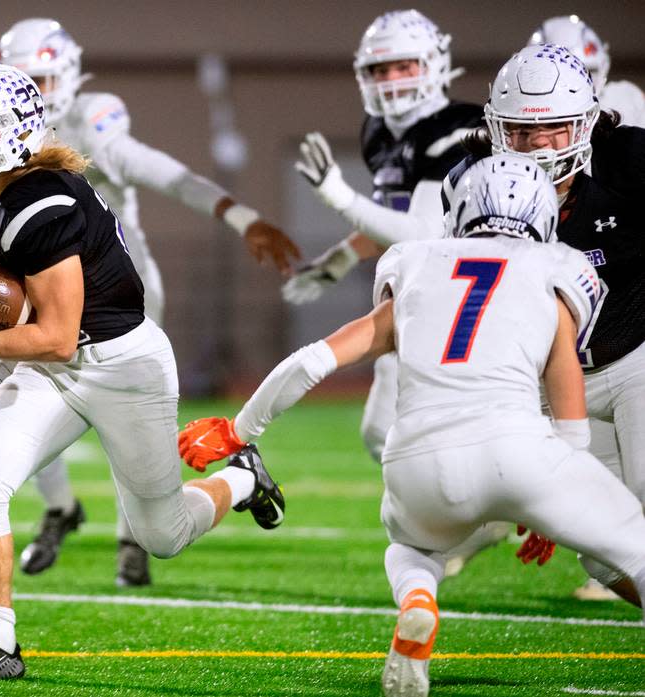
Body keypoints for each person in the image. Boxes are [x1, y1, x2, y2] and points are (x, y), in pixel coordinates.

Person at [181, 155, 645, 697]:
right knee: (635, 546)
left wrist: (241, 430)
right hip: (521, 449)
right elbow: (563, 369)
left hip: (418, 458)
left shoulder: (419, 262)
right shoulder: (553, 264)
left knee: (409, 551)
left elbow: (315, 360)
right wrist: (562, 483)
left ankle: (419, 600)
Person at [0, 62, 286, 681]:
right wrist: (1, 354)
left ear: (15, 132)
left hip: (123, 365)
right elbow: (28, 303)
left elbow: (59, 337)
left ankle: (244, 481)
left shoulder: (43, 201)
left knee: (161, 535)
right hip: (58, 369)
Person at [280, 10, 507, 575]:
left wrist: (336, 196)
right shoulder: (380, 131)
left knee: (419, 428)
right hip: (412, 298)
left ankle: (480, 518)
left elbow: (425, 232)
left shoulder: (456, 128)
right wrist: (335, 262)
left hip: (464, 300)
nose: (393, 79)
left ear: (435, 66)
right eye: (381, 68)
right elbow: (392, 215)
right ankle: (476, 518)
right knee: (384, 433)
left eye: (405, 65)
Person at [450, 43, 645, 603]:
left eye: (557, 128)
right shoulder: (468, 184)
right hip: (548, 383)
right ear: (494, 128)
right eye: (520, 131)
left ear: (586, 120)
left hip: (635, 357)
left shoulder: (629, 161)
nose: (540, 144)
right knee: (603, 552)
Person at [529, 15, 645, 128]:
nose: (577, 83)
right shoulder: (527, 110)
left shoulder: (627, 98)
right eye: (564, 75)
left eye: (587, 72)